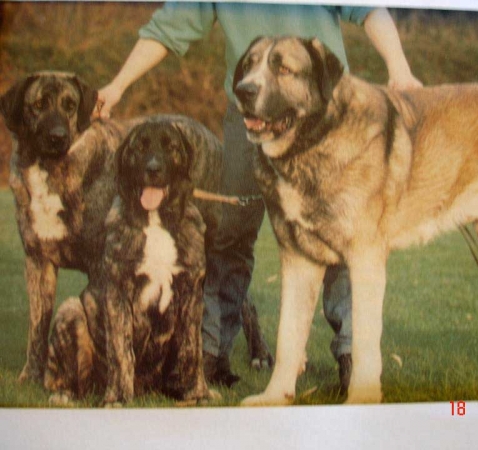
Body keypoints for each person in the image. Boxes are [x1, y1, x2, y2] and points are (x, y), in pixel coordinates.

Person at [94, 2, 421, 393]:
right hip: (249, 116)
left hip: (324, 111)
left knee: (345, 232)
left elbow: (370, 10)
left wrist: (399, 68)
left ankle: (352, 353)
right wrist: (116, 85)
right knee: (229, 231)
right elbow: (167, 29)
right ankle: (211, 351)